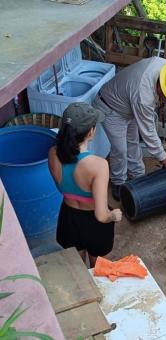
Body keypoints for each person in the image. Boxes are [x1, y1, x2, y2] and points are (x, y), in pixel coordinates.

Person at [92, 56, 166, 200]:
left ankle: (137, 174)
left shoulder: (165, 66)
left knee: (132, 141)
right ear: (160, 87)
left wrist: (161, 103)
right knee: (120, 149)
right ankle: (118, 182)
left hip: (128, 104)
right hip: (110, 107)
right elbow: (148, 131)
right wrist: (163, 158)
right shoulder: (143, 97)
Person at [48, 103, 122, 268]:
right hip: (94, 225)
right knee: (99, 269)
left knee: (79, 271)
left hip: (68, 218)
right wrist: (114, 215)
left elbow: (61, 186)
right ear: (91, 132)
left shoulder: (52, 153)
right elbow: (101, 216)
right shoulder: (98, 165)